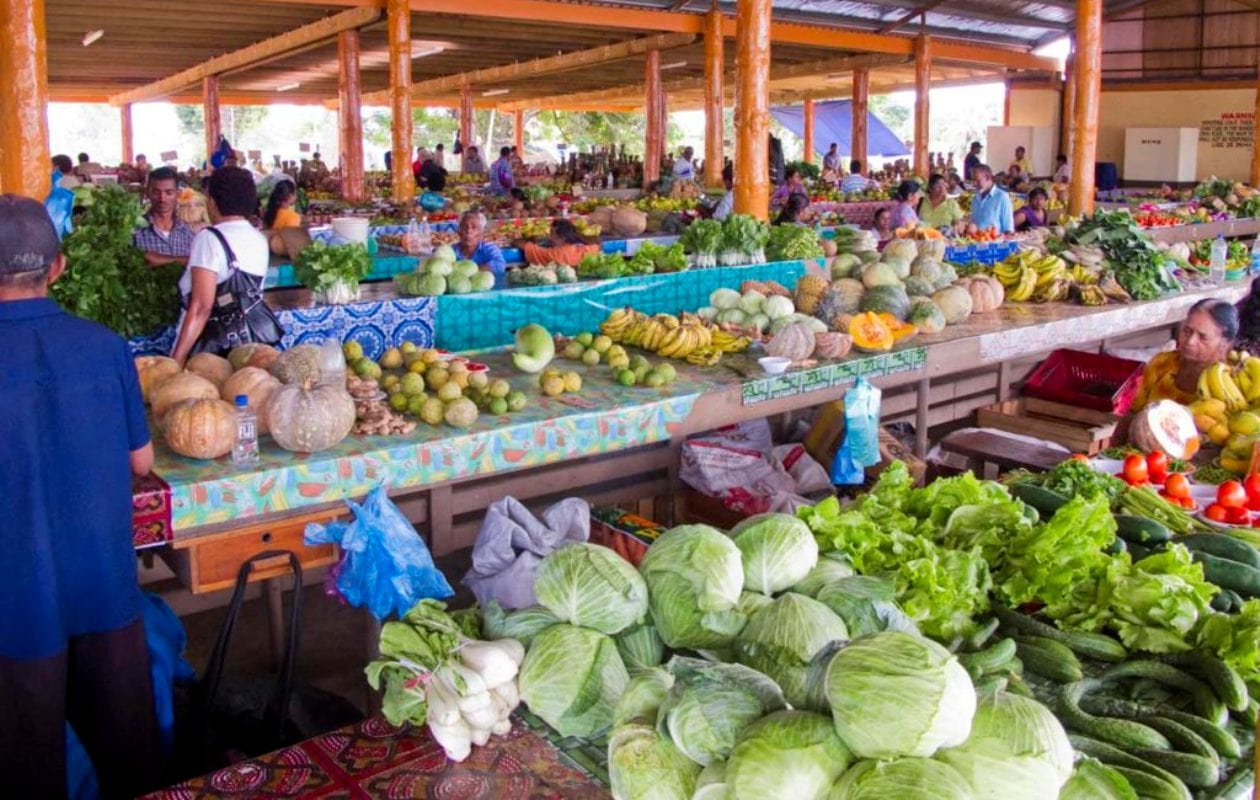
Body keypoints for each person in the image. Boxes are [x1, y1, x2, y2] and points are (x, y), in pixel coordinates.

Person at [0, 194, 161, 798]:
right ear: (58, 267)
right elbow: (140, 461)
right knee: (129, 762)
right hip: (104, 590)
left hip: (15, 605)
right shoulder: (104, 346)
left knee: (24, 769)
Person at [170, 166, 272, 364]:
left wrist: (177, 358)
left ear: (213, 202)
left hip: (210, 353)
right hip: (246, 347)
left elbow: (201, 307)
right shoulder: (258, 238)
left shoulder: (209, 239)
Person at [1131, 299, 1238, 411]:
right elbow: (1133, 411)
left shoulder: (1232, 384)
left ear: (1226, 344)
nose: (1190, 341)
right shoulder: (1162, 362)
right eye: (1187, 331)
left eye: (1202, 337)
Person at [134, 167, 196, 267]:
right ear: (147, 193)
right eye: (156, 192)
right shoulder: (135, 231)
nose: (162, 198)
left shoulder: (189, 234)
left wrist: (163, 260)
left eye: (169, 193)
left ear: (178, 194)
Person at [455, 211, 507, 288]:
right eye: (465, 227)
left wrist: (469, 271)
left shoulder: (489, 248)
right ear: (459, 231)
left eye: (474, 227)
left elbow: (500, 265)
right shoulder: (451, 251)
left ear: (482, 232)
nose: (469, 231)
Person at [519, 219, 600, 266]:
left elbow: (520, 244)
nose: (548, 235)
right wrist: (577, 235)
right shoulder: (582, 250)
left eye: (551, 233)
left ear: (562, 237)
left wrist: (528, 238)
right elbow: (597, 243)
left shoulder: (554, 254)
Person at [967, 164, 1015, 234]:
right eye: (973, 180)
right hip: (976, 241)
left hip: (995, 243)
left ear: (987, 177)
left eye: (977, 180)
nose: (974, 184)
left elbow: (1008, 229)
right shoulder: (975, 197)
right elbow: (973, 223)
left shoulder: (1002, 197)